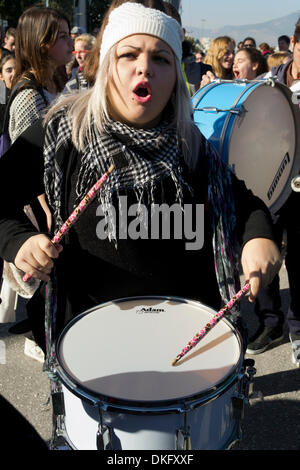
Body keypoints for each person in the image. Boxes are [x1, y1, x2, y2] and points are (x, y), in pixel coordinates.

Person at [0, 0, 281, 357]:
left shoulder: (190, 144)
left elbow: (245, 203)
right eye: (129, 55)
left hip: (188, 349)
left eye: (161, 59)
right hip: (91, 350)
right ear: (107, 67)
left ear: (175, 77)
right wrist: (19, 242)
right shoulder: (63, 134)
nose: (144, 68)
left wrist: (258, 236)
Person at [0, 6, 73, 360]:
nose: (69, 40)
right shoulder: (29, 94)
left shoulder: (56, 83)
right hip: (40, 207)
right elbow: (26, 165)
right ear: (42, 43)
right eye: (61, 35)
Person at [246, 19, 300, 366]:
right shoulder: (268, 82)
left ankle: (298, 328)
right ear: (295, 42)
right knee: (265, 260)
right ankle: (271, 323)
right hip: (269, 183)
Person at [0, 54, 16, 131]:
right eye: (9, 70)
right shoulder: (1, 97)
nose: (14, 73)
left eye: (17, 69)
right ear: (1, 76)